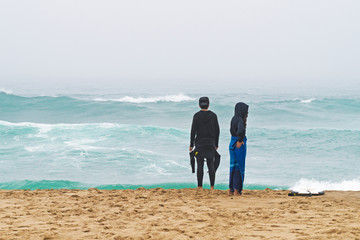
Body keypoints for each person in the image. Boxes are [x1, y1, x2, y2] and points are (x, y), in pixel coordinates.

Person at [189, 97, 220, 189]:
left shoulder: (196, 116)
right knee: (211, 164)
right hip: (211, 143)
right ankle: (212, 186)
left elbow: (193, 131)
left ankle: (199, 186)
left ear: (199, 105)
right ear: (209, 105)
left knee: (200, 164)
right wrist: (216, 144)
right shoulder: (213, 115)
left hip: (200, 143)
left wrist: (191, 144)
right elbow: (217, 131)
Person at [229, 102, 249, 196]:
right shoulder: (240, 120)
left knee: (233, 167)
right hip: (238, 144)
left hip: (232, 143)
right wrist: (240, 140)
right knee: (239, 167)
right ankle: (237, 190)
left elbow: (231, 130)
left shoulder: (233, 118)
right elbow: (241, 131)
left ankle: (231, 189)